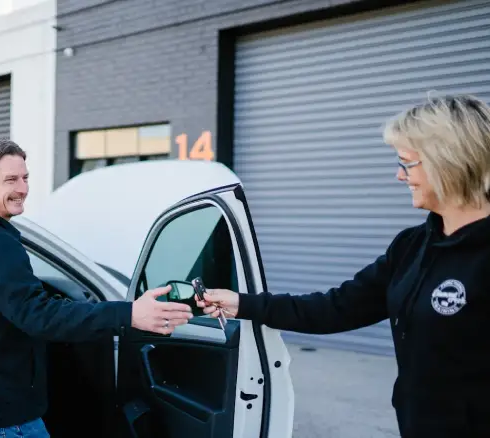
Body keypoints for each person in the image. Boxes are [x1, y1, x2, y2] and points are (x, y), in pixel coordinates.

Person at [196, 94, 490, 438]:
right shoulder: (412, 245)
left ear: (449, 162)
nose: (399, 176)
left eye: (407, 163)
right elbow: (336, 308)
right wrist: (243, 304)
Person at [0, 137, 194, 438]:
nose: (22, 188)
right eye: (10, 180)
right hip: (6, 415)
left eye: (25, 177)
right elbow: (38, 315)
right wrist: (128, 315)